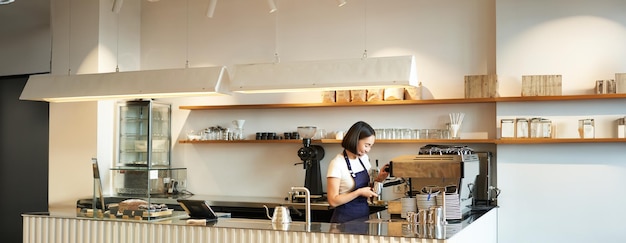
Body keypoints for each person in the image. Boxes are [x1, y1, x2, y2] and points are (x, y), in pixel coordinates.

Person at [326, 121, 389, 223]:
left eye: (370, 146)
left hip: (363, 218)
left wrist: (380, 179)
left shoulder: (364, 159)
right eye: (366, 145)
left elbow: (367, 189)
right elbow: (333, 201)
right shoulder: (337, 163)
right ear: (355, 140)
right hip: (343, 222)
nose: (368, 150)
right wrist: (358, 192)